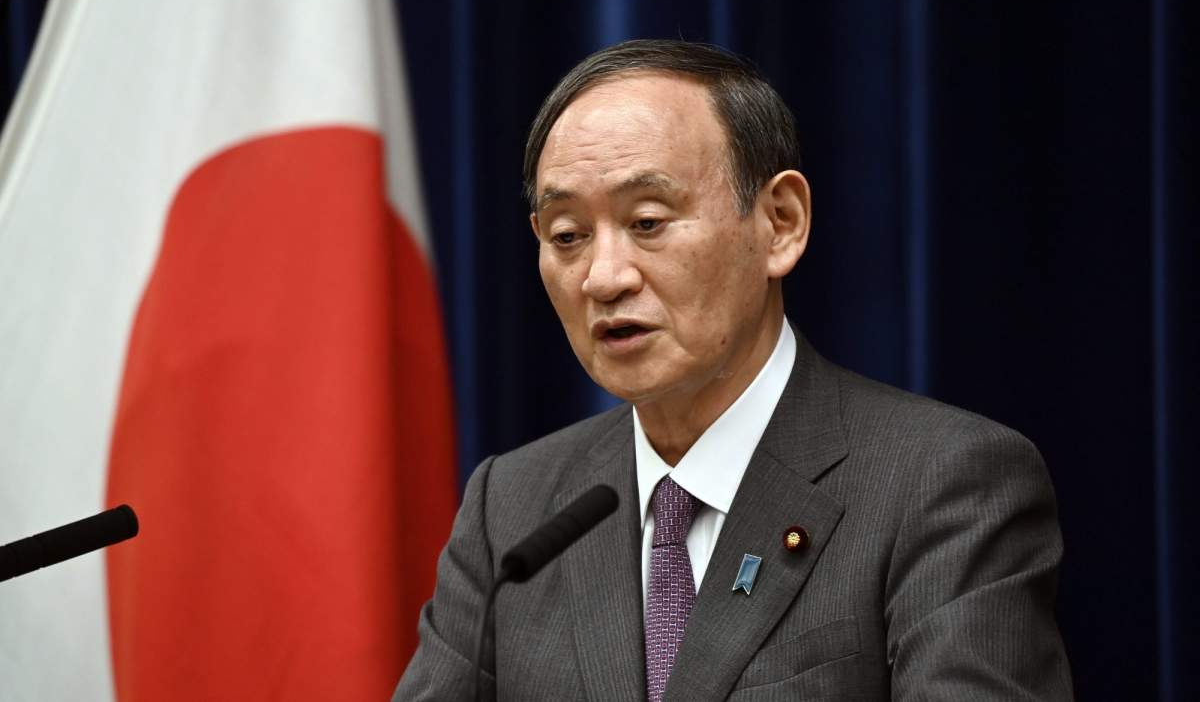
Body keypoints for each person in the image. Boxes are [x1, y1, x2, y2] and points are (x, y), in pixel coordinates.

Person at [395, 39, 1072, 701]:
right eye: (567, 235)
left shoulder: (941, 484)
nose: (603, 278)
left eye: (648, 221)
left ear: (780, 222)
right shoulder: (513, 509)